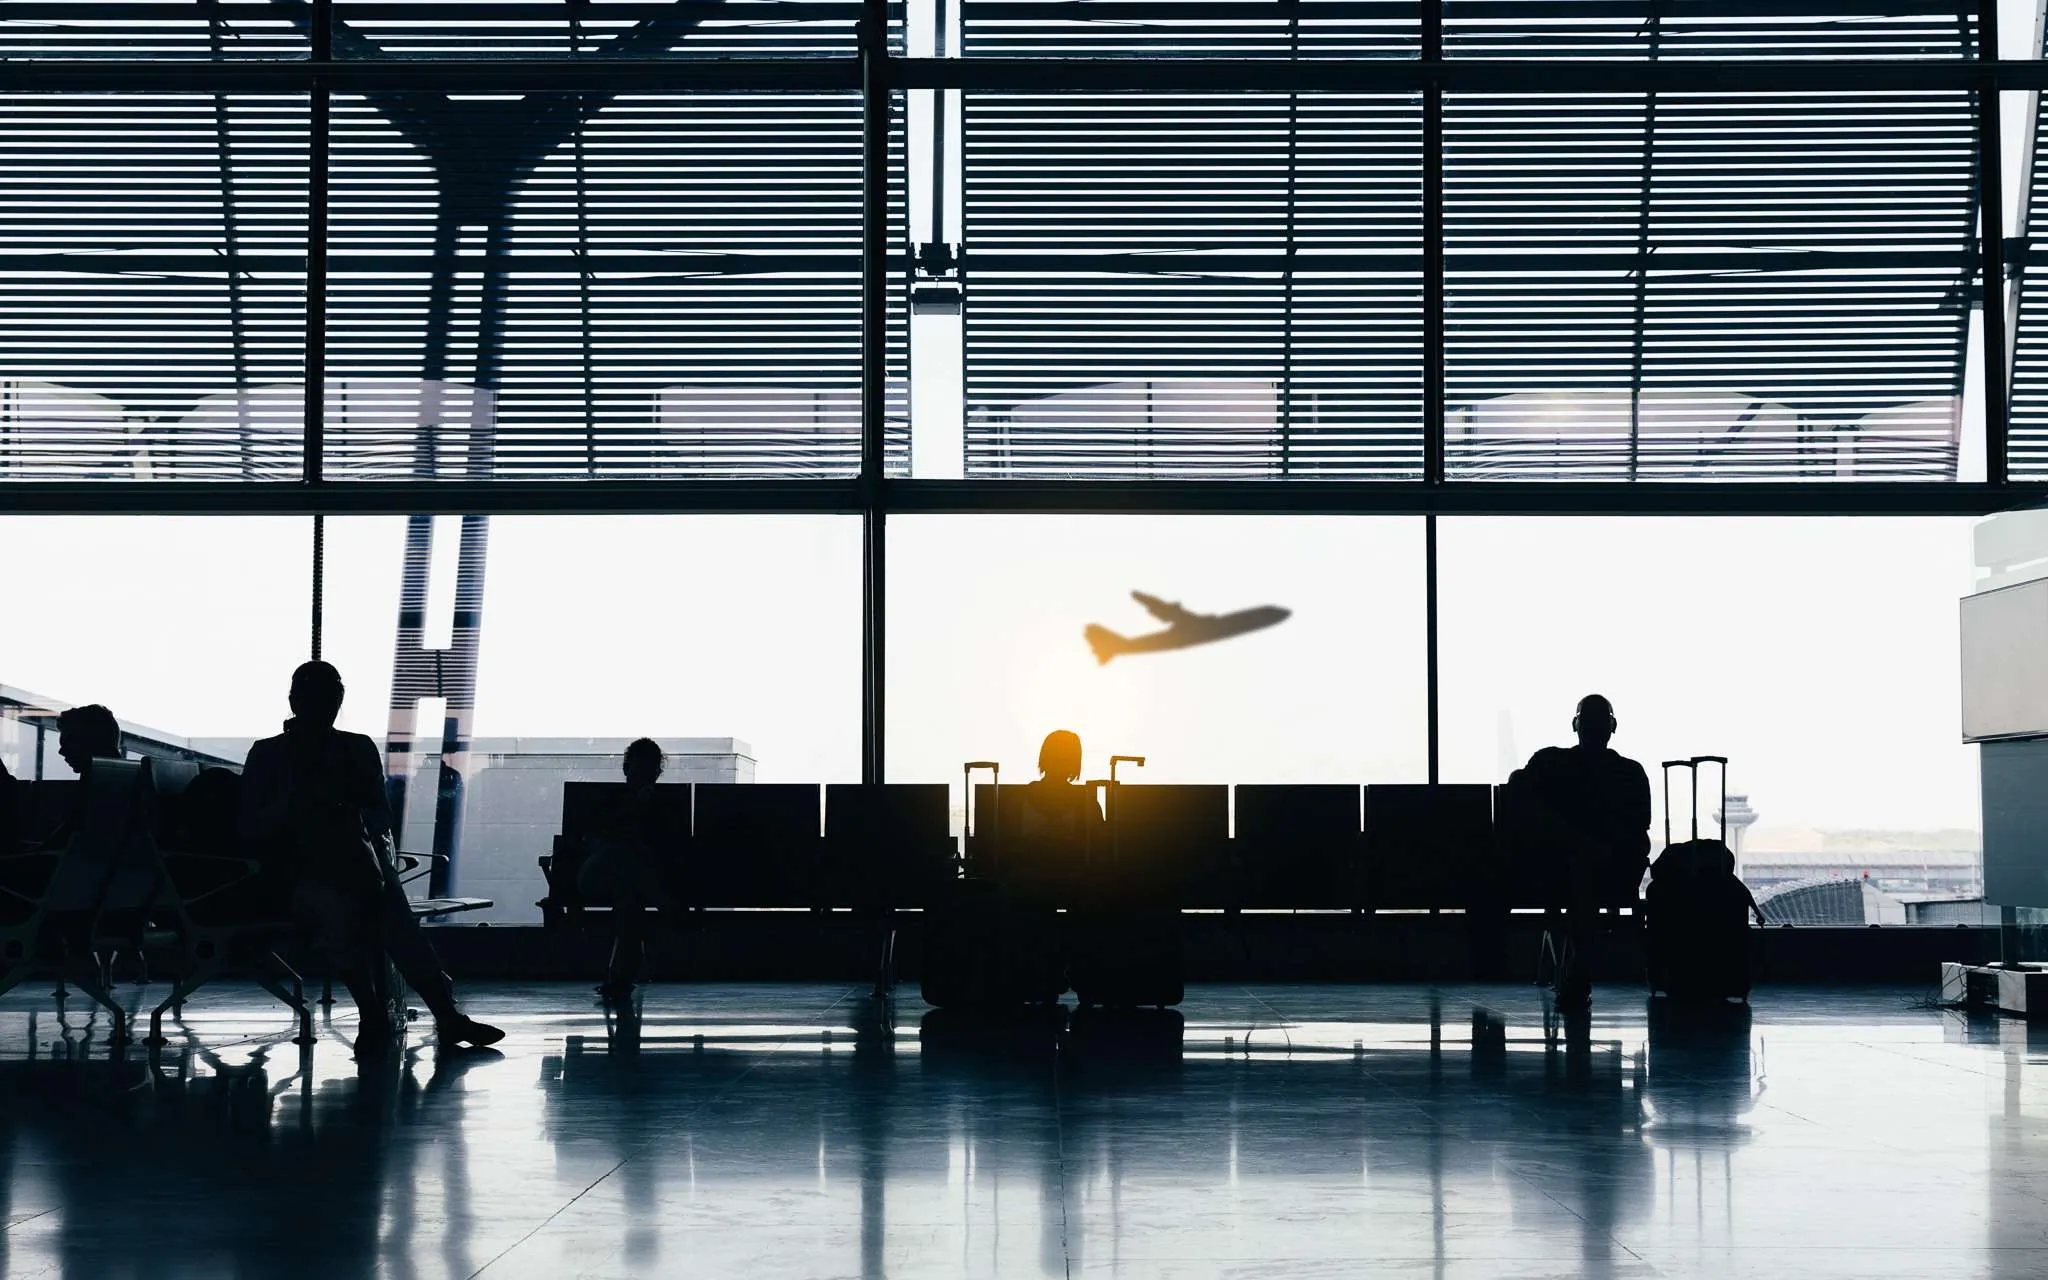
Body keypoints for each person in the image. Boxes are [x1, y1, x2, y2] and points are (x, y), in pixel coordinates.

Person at [240, 661, 503, 1055]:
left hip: (326, 871)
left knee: (357, 899)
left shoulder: (275, 755)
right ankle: (443, 1015)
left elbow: (254, 824)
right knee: (380, 906)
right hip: (308, 873)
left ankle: (373, 1012)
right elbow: (376, 817)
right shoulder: (346, 750)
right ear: (298, 701)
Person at [1506, 694, 1651, 1012]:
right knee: (1581, 869)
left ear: (1576, 725)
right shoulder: (1629, 773)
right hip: (1611, 871)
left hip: (1556, 872)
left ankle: (1575, 973)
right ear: (1612, 727)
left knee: (1578, 870)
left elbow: (1516, 793)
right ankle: (1579, 972)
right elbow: (1640, 827)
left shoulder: (1549, 764)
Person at [577, 737, 681, 1002]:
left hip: (620, 879)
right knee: (627, 858)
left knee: (628, 894)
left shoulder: (654, 808)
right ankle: (666, 906)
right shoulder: (612, 801)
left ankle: (620, 977)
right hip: (603, 873)